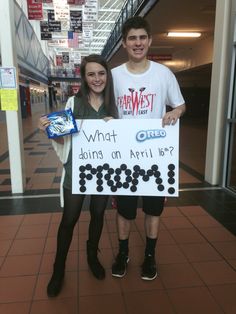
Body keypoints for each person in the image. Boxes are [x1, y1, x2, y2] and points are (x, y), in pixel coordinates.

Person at [111, 16, 186, 281]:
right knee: (124, 211)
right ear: (124, 43)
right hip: (123, 158)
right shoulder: (114, 76)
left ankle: (150, 257)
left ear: (150, 40)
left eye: (142, 37)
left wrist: (175, 112)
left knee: (154, 210)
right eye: (132, 38)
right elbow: (100, 108)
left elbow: (180, 104)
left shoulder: (163, 74)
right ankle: (123, 253)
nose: (138, 42)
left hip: (155, 157)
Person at [38, 54, 118, 297]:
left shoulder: (114, 105)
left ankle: (92, 256)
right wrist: (49, 130)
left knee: (97, 214)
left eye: (101, 73)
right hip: (78, 172)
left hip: (103, 173)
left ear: (107, 75)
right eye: (91, 74)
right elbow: (64, 140)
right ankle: (58, 269)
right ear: (84, 77)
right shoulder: (74, 102)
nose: (97, 78)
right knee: (68, 221)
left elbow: (123, 142)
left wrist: (114, 125)